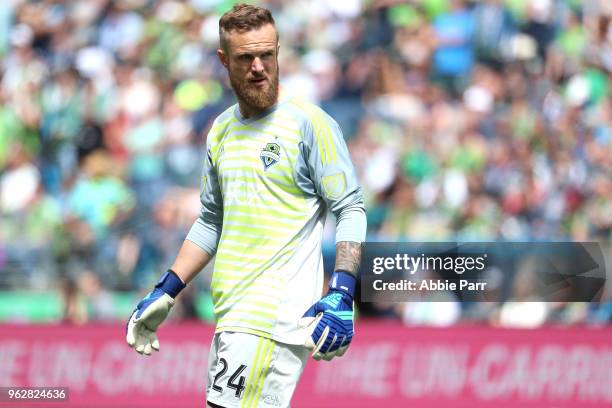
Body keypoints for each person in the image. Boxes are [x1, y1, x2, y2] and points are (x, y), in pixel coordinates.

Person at [125, 4, 366, 408]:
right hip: (232, 315)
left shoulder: (310, 124)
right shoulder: (220, 130)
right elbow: (210, 222)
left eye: (267, 55)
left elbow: (350, 208)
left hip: (272, 317)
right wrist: (168, 289)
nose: (259, 67)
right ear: (224, 60)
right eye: (245, 58)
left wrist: (342, 290)